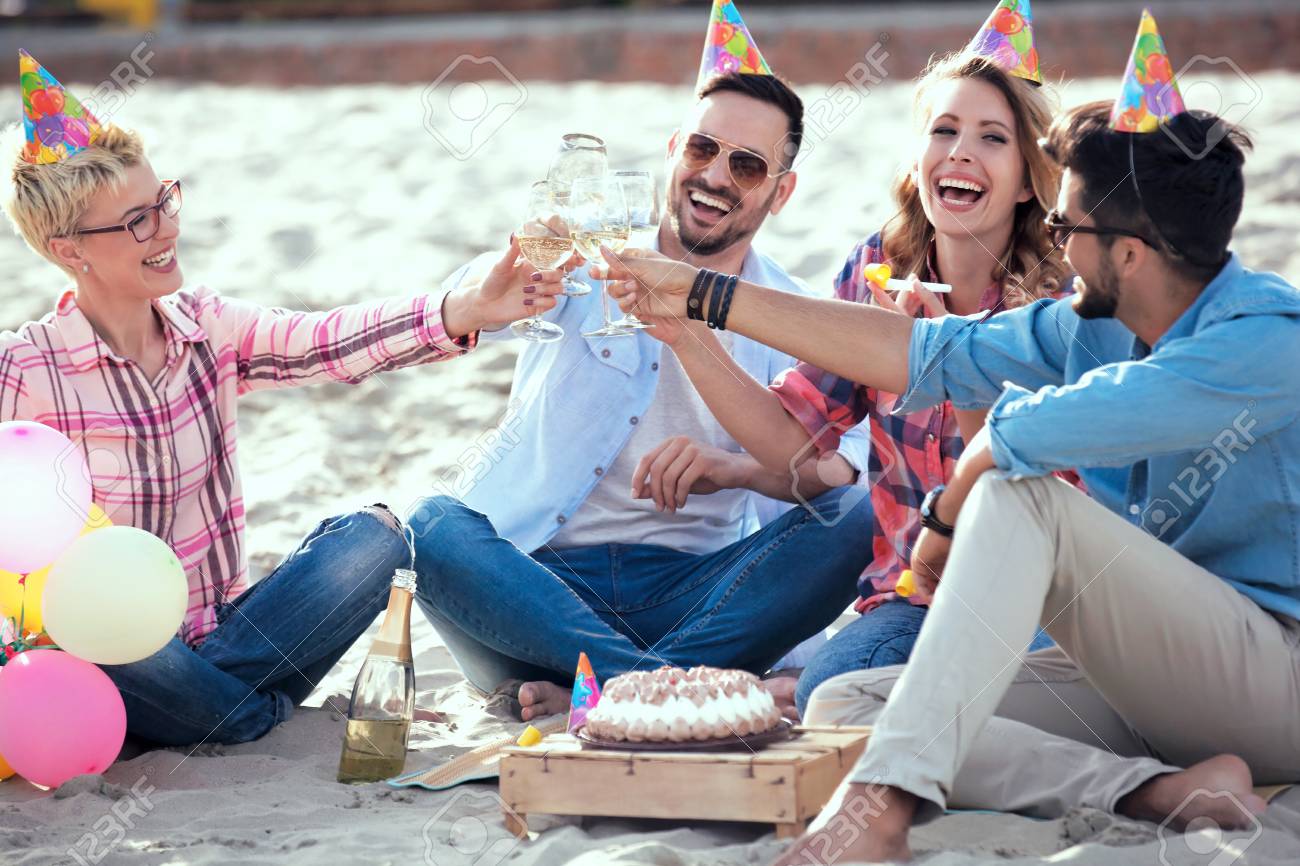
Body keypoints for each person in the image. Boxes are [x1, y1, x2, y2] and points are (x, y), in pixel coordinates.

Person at [606, 87, 1299, 866]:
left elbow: (1040, 431)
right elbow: (928, 353)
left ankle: (884, 809)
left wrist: (945, 512)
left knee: (1017, 491)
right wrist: (701, 295)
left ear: (1129, 253)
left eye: (1068, 228)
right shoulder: (1094, 323)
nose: (1059, 244)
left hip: (1277, 684)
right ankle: (1146, 791)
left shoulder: (1268, 341)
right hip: (1156, 684)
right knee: (846, 701)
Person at [1, 52, 552, 745]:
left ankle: (221, 710)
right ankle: (243, 714)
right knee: (119, 640)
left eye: (164, 201)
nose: (167, 228)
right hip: (117, 658)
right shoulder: (29, 366)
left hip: (228, 632)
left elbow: (323, 341)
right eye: (136, 221)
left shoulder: (205, 327)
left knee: (376, 540)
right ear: (69, 250)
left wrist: (460, 310)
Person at [408, 69, 875, 723]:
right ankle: (674, 689)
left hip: (693, 591)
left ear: (781, 191)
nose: (715, 176)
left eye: (745, 165)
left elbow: (843, 469)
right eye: (702, 150)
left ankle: (607, 686)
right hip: (534, 591)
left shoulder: (792, 309)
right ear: (673, 149)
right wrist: (500, 280)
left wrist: (737, 471)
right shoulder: (586, 255)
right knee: (431, 525)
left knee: (854, 515)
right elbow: (463, 308)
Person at [635, 43, 1071, 717]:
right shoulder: (876, 267)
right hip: (914, 603)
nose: (960, 152)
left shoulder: (1058, 298)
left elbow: (1027, 496)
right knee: (831, 695)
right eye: (944, 130)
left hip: (1039, 600)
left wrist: (940, 364)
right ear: (918, 156)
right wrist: (685, 332)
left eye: (993, 137)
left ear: (1024, 179)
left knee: (1005, 698)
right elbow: (794, 444)